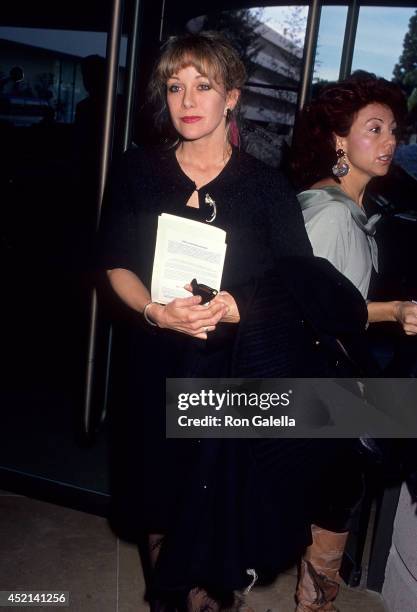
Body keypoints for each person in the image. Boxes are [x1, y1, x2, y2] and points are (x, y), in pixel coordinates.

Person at [99, 31, 321, 611]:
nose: (188, 100)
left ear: (233, 98)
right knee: (157, 497)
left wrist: (238, 304)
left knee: (213, 504)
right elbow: (114, 262)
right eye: (175, 87)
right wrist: (153, 309)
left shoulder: (266, 188)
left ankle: (205, 598)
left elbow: (298, 281)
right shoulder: (137, 171)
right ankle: (170, 600)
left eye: (204, 86)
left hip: (227, 371)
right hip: (154, 362)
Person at [290, 73, 417, 611]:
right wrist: (393, 310)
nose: (389, 141)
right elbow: (305, 314)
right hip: (310, 383)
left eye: (393, 129)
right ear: (340, 140)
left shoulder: (353, 208)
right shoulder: (330, 214)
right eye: (374, 129)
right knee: (338, 493)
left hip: (334, 377)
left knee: (342, 491)